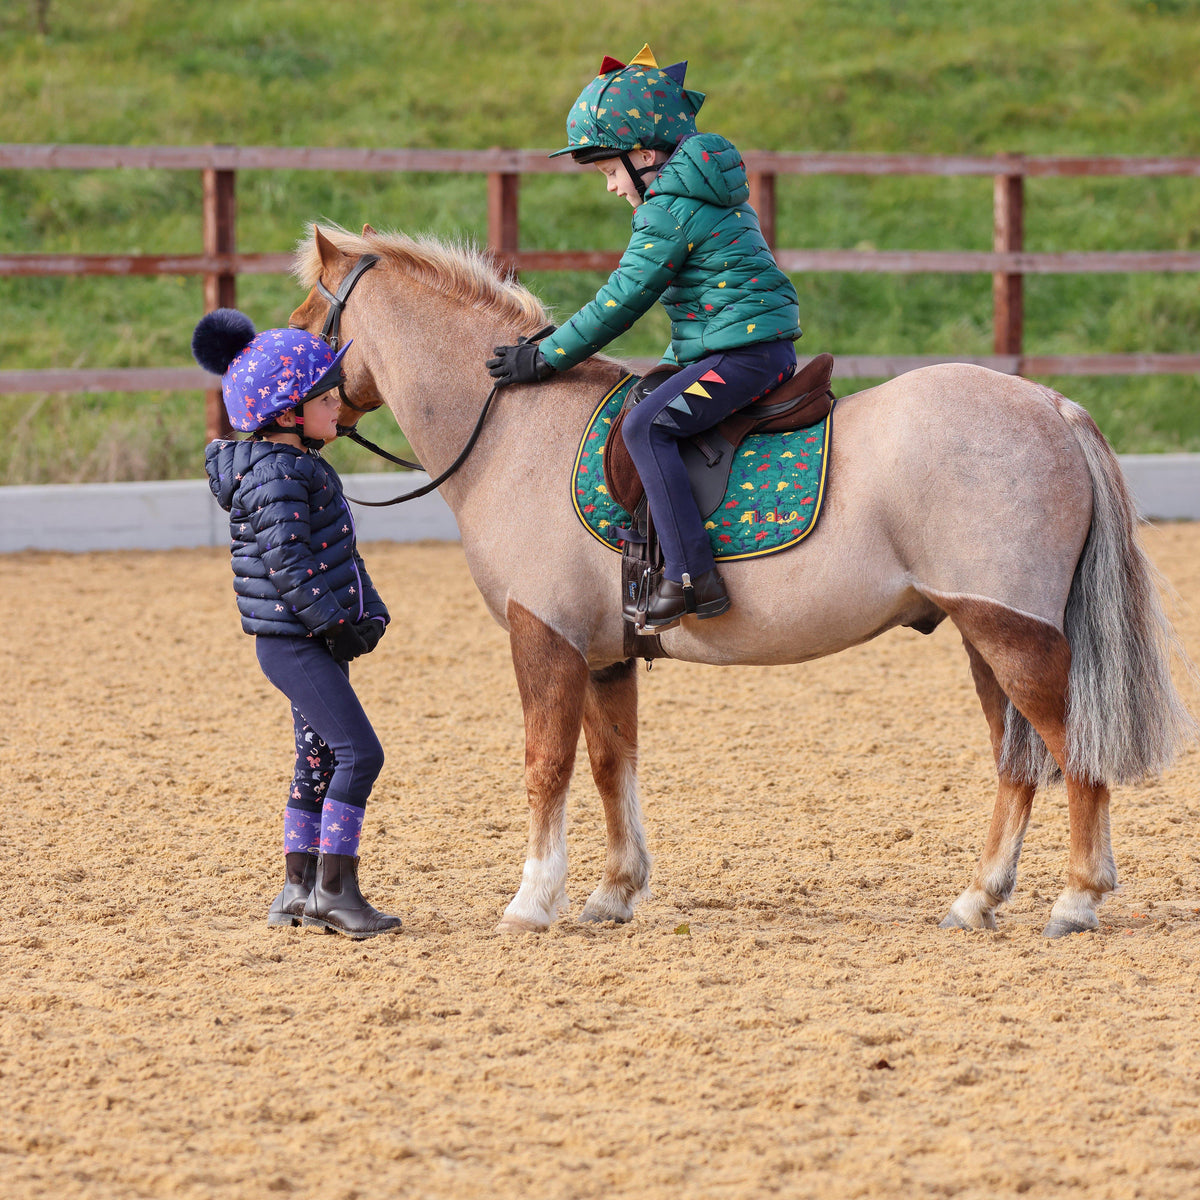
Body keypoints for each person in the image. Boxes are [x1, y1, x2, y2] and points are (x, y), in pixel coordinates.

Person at [487, 44, 802, 629]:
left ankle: (691, 576)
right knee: (648, 398)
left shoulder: (669, 209)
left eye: (609, 170)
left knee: (645, 426)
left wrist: (547, 357)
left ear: (645, 155)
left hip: (745, 358)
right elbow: (705, 313)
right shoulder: (707, 193)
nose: (609, 186)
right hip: (746, 348)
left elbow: (620, 301)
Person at [194, 308, 402, 939]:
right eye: (325, 396)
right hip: (296, 640)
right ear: (289, 414)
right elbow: (288, 559)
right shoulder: (280, 472)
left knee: (315, 760)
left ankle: (296, 889)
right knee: (359, 754)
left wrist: (365, 610)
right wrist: (333, 623)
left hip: (303, 635)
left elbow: (334, 553)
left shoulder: (292, 466)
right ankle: (335, 893)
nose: (338, 405)